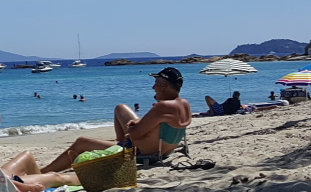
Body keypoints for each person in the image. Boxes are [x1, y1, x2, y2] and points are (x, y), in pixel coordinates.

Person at [11, 67, 193, 175]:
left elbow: (135, 134)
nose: (153, 87)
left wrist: (132, 128)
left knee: (81, 142)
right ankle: (119, 142)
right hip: (164, 149)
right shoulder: (183, 103)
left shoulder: (162, 107)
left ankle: (44, 172)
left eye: (156, 83)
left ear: (163, 85)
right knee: (121, 108)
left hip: (146, 153)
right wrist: (138, 125)